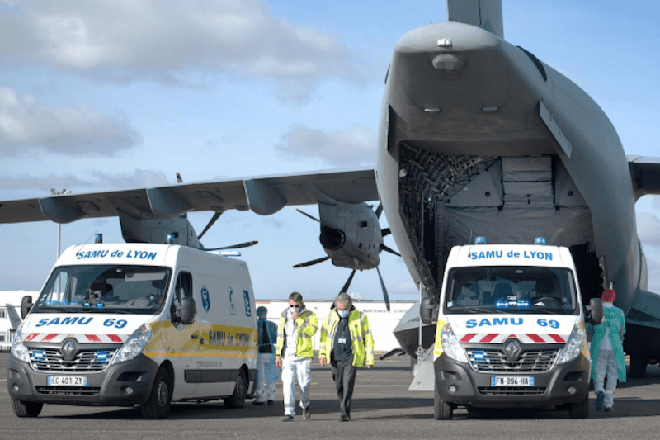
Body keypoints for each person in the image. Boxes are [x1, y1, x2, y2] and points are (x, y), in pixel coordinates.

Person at [318, 292, 375, 422]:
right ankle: (343, 406)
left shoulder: (360, 317)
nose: (340, 311)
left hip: (351, 358)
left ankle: (344, 412)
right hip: (335, 358)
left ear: (349, 306)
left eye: (343, 309)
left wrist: (369, 358)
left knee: (348, 385)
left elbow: (369, 339)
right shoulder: (330, 317)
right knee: (339, 387)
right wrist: (322, 354)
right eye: (338, 309)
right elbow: (323, 338)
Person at [275, 292, 318, 422]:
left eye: (295, 305)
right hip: (287, 355)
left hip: (303, 355)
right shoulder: (284, 314)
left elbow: (312, 331)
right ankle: (289, 412)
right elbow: (280, 335)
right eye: (291, 305)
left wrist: (298, 319)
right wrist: (278, 354)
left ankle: (305, 405)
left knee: (304, 384)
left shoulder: (310, 315)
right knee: (287, 383)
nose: (293, 308)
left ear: (301, 303)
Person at [589, 288, 626, 412]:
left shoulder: (598, 310)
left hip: (599, 344)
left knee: (598, 371)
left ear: (602, 298)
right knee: (612, 375)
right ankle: (609, 404)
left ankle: (599, 390)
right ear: (613, 298)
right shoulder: (619, 312)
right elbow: (622, 331)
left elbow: (590, 328)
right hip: (615, 346)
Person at [253, 306, 278, 405]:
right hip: (271, 352)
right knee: (270, 376)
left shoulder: (255, 325)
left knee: (260, 377)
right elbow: (275, 338)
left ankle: (260, 398)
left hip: (259, 352)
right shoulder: (272, 325)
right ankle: (271, 397)